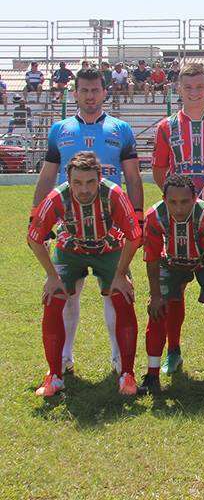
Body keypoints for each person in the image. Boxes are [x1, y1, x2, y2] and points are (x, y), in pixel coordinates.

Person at [32, 67, 144, 374]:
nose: (90, 96)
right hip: (71, 229)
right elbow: (47, 175)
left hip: (112, 231)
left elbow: (133, 177)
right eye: (84, 90)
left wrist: (136, 215)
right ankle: (63, 361)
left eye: (95, 90)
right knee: (67, 296)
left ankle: (120, 362)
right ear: (75, 92)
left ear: (104, 91)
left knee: (116, 294)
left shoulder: (121, 128)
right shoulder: (60, 130)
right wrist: (36, 213)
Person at [28, 152, 142, 397]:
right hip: (71, 249)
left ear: (100, 178)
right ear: (68, 180)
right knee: (54, 299)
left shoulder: (113, 194)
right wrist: (51, 276)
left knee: (122, 298)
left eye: (90, 182)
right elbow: (34, 238)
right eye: (77, 182)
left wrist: (121, 275)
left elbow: (134, 236)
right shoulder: (57, 197)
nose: (84, 189)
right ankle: (56, 372)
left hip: (110, 247)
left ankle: (126, 372)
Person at [151, 62, 204, 372]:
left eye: (199, 86)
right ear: (179, 89)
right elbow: (160, 171)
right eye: (188, 87)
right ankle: (173, 351)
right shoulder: (166, 127)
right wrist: (180, 204)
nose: (194, 92)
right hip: (176, 223)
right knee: (173, 292)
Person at [138, 173, 204, 393]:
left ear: (194, 199)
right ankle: (154, 373)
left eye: (184, 202)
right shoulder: (154, 216)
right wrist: (155, 295)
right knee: (159, 309)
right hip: (170, 261)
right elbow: (152, 258)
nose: (179, 208)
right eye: (173, 202)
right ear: (164, 199)